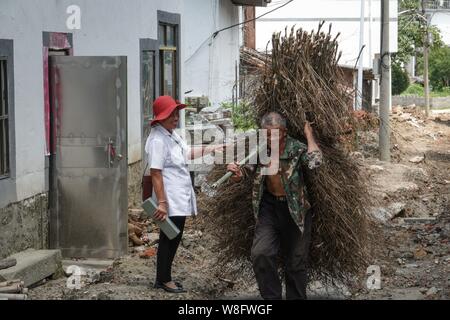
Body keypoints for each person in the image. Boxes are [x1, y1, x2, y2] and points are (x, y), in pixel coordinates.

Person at [226, 112, 322, 300]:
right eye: (267, 134)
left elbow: (315, 162)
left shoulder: (296, 148)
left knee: (296, 262)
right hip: (269, 209)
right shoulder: (260, 151)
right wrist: (236, 174)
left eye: (276, 134)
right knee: (261, 253)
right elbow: (244, 172)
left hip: (296, 210)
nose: (271, 139)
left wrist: (309, 134)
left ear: (284, 132)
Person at [145, 95, 223, 293]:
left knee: (174, 235)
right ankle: (163, 279)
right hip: (169, 198)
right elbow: (155, 172)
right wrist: (162, 202)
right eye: (171, 114)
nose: (175, 118)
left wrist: (210, 148)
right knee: (170, 237)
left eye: (175, 114)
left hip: (178, 196)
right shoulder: (158, 140)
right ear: (160, 117)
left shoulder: (171, 134)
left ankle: (163, 277)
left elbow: (187, 153)